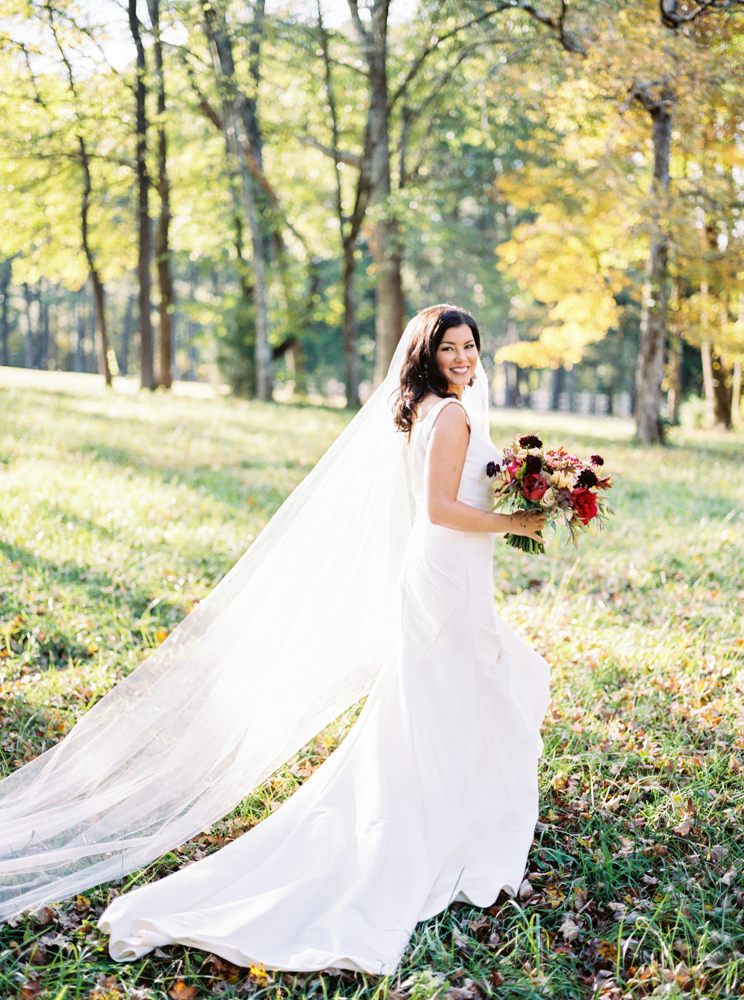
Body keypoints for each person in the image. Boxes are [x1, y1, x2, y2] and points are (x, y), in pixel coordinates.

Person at [0, 304, 549, 978]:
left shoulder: (433, 408)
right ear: (428, 355)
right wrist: (517, 519)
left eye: (471, 347)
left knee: (458, 693)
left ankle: (453, 817)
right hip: (447, 571)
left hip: (442, 570)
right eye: (451, 349)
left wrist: (529, 491)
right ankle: (446, 830)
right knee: (475, 691)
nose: (464, 358)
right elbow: (440, 508)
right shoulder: (454, 414)